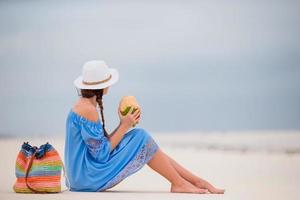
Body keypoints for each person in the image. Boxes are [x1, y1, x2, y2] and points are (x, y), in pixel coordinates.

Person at [64, 60, 225, 194]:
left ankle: (193, 180)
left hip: (81, 176)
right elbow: (101, 155)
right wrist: (124, 126)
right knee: (141, 137)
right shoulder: (88, 110)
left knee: (141, 138)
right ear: (102, 86)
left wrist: (123, 124)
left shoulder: (85, 106)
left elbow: (99, 147)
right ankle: (180, 183)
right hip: (86, 178)